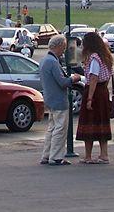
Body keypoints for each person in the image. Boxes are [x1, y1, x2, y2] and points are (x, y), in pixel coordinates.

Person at [38, 35, 81, 166]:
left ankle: (47, 155)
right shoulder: (53, 62)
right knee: (60, 129)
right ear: (58, 46)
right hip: (58, 99)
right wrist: (74, 79)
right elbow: (62, 82)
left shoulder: (44, 60)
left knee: (51, 128)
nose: (64, 50)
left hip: (50, 98)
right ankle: (56, 157)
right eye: (63, 47)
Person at [76, 32, 114, 164]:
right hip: (103, 91)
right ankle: (104, 154)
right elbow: (107, 77)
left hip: (94, 92)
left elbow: (93, 78)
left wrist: (89, 99)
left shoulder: (94, 58)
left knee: (89, 123)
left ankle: (88, 156)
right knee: (102, 123)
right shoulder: (105, 57)